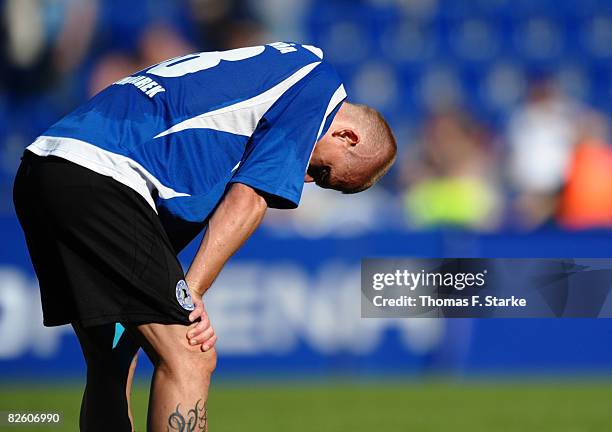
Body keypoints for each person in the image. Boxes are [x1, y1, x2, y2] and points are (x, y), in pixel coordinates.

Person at [12, 42, 396, 431]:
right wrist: (192, 292)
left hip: (45, 169)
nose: (306, 179)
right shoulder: (317, 87)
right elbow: (248, 199)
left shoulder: (279, 67)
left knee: (112, 360)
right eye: (325, 173)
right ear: (348, 136)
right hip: (103, 175)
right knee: (191, 354)